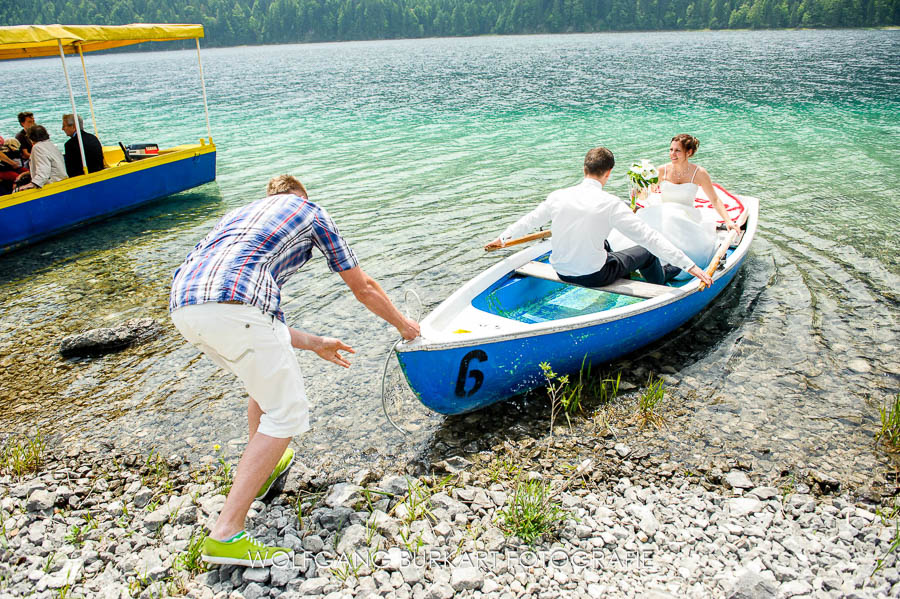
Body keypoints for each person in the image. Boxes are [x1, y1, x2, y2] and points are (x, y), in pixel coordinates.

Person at [170, 174, 420, 567]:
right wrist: (404, 325)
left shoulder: (239, 218)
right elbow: (363, 286)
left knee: (263, 383)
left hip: (185, 307)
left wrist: (317, 343)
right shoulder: (311, 211)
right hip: (236, 307)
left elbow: (248, 319)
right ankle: (226, 533)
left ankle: (267, 470)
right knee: (288, 412)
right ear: (300, 196)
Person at [485, 147, 713, 289]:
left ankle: (660, 269)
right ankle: (662, 279)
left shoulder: (558, 196)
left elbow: (530, 220)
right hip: (594, 276)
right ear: (608, 173)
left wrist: (503, 238)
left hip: (561, 271)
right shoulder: (610, 203)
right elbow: (649, 237)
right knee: (646, 252)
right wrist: (690, 266)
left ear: (584, 169)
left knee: (605, 243)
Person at [657, 134, 739, 235]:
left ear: (689, 152)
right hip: (665, 217)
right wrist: (639, 191)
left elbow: (714, 199)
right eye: (671, 149)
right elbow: (648, 192)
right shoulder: (661, 170)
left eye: (677, 150)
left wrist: (728, 221)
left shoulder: (699, 173)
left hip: (686, 219)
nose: (672, 154)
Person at [17, 125, 66, 189]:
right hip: (61, 181)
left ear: (31, 138)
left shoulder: (37, 147)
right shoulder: (51, 145)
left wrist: (33, 184)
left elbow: (43, 171)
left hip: (52, 184)